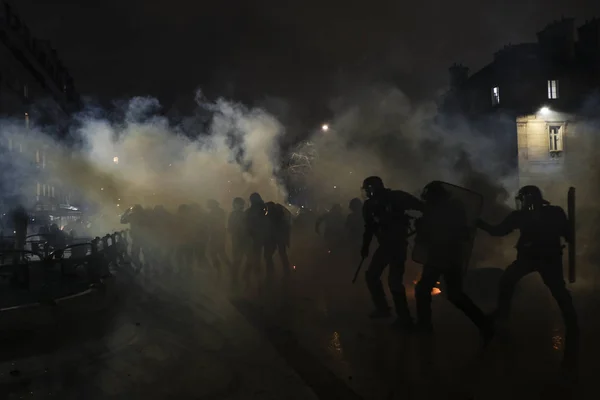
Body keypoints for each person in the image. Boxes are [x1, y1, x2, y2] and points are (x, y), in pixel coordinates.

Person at [478, 185, 578, 351]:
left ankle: (572, 323)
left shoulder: (550, 213)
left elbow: (566, 232)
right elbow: (498, 231)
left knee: (557, 290)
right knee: (508, 281)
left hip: (546, 258)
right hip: (535, 258)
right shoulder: (543, 213)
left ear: (527, 199)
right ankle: (503, 316)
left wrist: (568, 234)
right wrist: (481, 224)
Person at [413, 181, 493, 343]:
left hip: (447, 256)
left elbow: (460, 232)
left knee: (448, 294)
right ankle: (485, 326)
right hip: (442, 256)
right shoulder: (441, 209)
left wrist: (428, 227)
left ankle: (485, 326)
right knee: (441, 292)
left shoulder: (451, 209)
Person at [361, 176, 424, 329]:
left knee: (389, 280)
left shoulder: (390, 198)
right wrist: (365, 247)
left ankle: (402, 317)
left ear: (372, 188)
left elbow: (421, 207)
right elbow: (369, 228)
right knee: (377, 277)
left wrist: (365, 247)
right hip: (390, 245)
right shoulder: (393, 197)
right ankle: (390, 311)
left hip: (394, 245)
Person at [228, 197, 247, 287]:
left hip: (239, 241)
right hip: (239, 241)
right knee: (237, 261)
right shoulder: (243, 215)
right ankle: (235, 280)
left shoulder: (234, 215)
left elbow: (229, 229)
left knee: (237, 261)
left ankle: (235, 280)